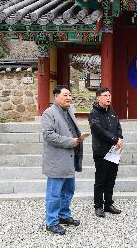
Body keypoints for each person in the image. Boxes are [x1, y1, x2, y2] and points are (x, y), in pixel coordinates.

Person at [41, 85, 84, 235]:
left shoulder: (69, 111)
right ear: (56, 96)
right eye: (65, 95)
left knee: (68, 191)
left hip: (70, 158)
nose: (68, 98)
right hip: (56, 160)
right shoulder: (49, 113)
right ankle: (51, 222)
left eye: (70, 95)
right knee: (54, 193)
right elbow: (48, 135)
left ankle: (64, 215)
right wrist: (70, 141)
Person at [88, 87, 124, 217]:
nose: (108, 97)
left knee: (111, 179)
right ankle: (98, 206)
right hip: (101, 151)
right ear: (98, 98)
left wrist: (119, 138)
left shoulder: (112, 112)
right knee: (101, 180)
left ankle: (108, 204)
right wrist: (115, 139)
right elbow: (99, 131)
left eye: (109, 95)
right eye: (105, 95)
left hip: (114, 151)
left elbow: (118, 127)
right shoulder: (94, 113)